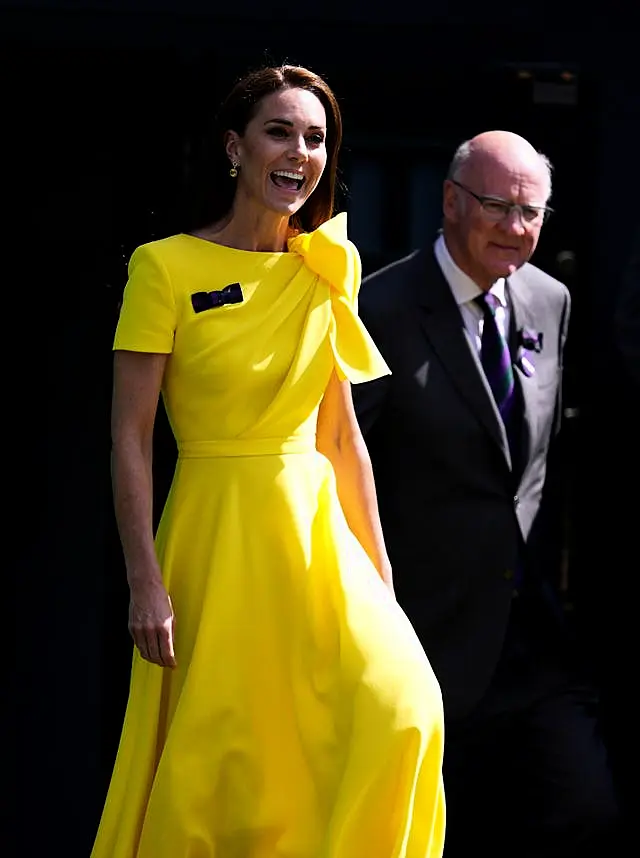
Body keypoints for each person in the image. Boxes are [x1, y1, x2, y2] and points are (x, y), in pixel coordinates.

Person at [91, 64, 445, 858]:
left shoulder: (327, 265)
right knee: (225, 762)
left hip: (318, 540)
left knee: (406, 706)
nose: (301, 151)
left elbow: (343, 437)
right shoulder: (163, 266)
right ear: (234, 147)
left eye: (317, 138)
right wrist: (143, 579)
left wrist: (383, 584)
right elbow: (128, 437)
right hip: (214, 537)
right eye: (280, 132)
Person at [353, 131, 620, 858]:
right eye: (498, 207)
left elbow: (541, 465)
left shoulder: (548, 300)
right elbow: (343, 473)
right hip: (423, 636)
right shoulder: (379, 309)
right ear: (450, 201)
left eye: (532, 212)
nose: (516, 228)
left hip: (531, 637)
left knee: (583, 806)